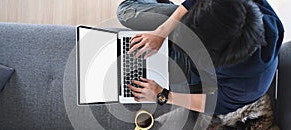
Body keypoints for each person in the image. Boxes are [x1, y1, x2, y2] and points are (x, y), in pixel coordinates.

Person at [116, 0, 284, 115]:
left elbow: (211, 103)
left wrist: (162, 95)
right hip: (201, 25)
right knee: (126, 12)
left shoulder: (249, 87)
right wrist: (160, 33)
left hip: (197, 75)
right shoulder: (235, 6)